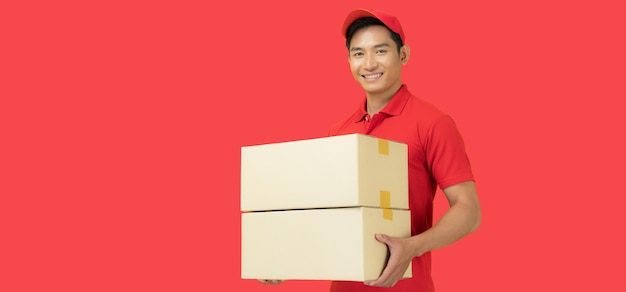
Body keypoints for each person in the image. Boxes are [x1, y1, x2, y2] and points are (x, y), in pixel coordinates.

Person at [260, 8, 481, 291]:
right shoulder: (339, 131)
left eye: (380, 51)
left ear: (403, 55)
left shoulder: (432, 122)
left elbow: (468, 209)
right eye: (358, 53)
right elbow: (324, 213)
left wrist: (412, 247)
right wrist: (283, 256)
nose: (369, 64)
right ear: (349, 60)